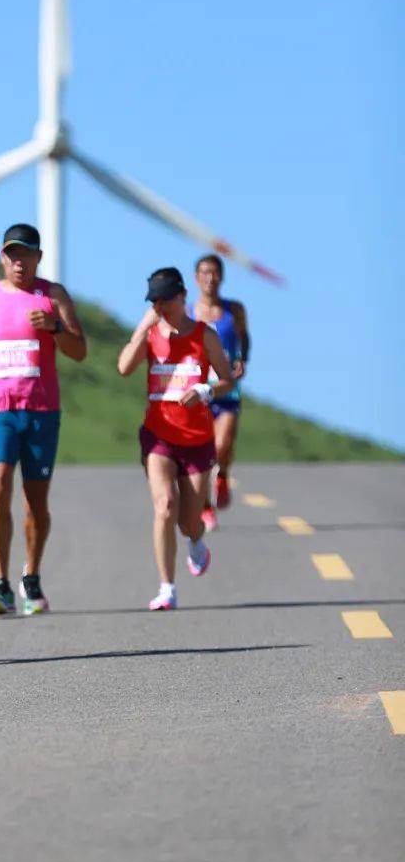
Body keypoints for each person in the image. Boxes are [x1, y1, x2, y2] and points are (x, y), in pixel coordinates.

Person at [0, 222, 87, 616]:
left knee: (35, 502)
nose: (19, 262)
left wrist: (55, 327)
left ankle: (31, 576)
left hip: (41, 410)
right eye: (12, 255)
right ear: (3, 257)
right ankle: (1, 584)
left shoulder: (53, 295)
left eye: (26, 255)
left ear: (38, 257)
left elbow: (79, 350)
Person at [117, 266, 234, 611]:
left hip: (197, 439)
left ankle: (196, 541)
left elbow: (227, 380)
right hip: (159, 436)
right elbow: (124, 368)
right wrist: (142, 328)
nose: (160, 306)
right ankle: (167, 587)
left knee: (189, 521)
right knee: (165, 505)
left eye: (165, 300)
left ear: (182, 297)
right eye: (154, 301)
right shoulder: (150, 334)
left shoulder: (203, 335)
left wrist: (205, 390)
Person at [188, 253, 250, 529]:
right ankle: (205, 506)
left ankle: (222, 474)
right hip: (197, 390)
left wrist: (242, 360)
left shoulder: (234, 311)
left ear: (222, 277)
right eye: (204, 272)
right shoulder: (187, 313)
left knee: (222, 444)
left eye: (214, 273)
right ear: (196, 278)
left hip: (226, 389)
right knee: (201, 453)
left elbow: (244, 339)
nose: (210, 278)